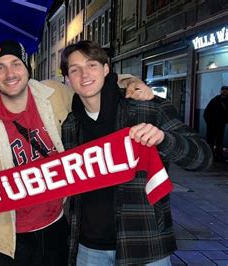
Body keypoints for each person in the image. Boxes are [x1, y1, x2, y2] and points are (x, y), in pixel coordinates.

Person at [0, 40, 154, 265]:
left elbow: (90, 86)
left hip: (58, 225)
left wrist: (132, 81)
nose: (9, 73)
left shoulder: (54, 94)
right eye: (0, 67)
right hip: (8, 238)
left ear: (27, 69)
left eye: (16, 64)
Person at [60, 40, 212, 265]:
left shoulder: (148, 107)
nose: (84, 74)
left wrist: (164, 139)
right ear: (68, 79)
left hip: (145, 244)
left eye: (91, 65)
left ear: (106, 69)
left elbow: (203, 157)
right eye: (74, 69)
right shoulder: (70, 125)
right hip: (88, 249)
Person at [203, 86, 228, 162]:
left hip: (220, 124)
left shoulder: (226, 100)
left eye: (226, 90)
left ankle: (219, 155)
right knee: (211, 140)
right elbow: (206, 112)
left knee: (219, 141)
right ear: (221, 91)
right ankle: (210, 156)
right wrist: (209, 123)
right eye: (223, 90)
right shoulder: (215, 100)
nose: (224, 92)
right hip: (212, 125)